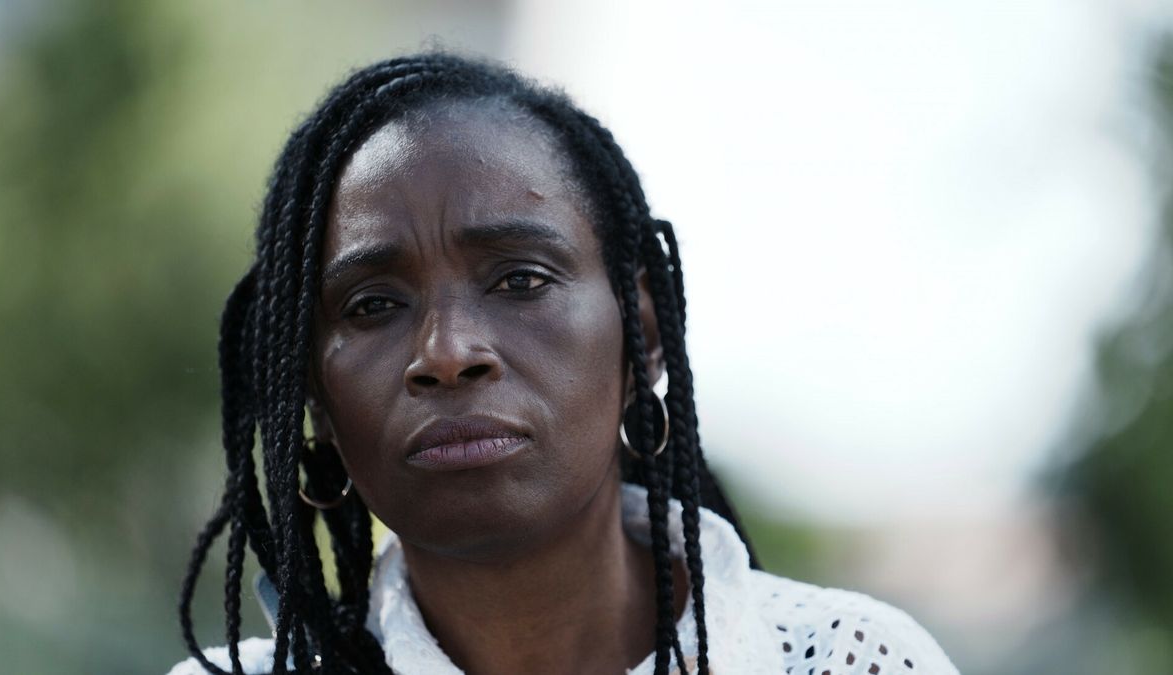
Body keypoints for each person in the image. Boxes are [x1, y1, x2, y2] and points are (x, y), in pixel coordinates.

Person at [170, 53, 959, 675]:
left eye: (521, 280)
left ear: (641, 333)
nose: (446, 352)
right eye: (373, 304)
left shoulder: (846, 658)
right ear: (316, 394)